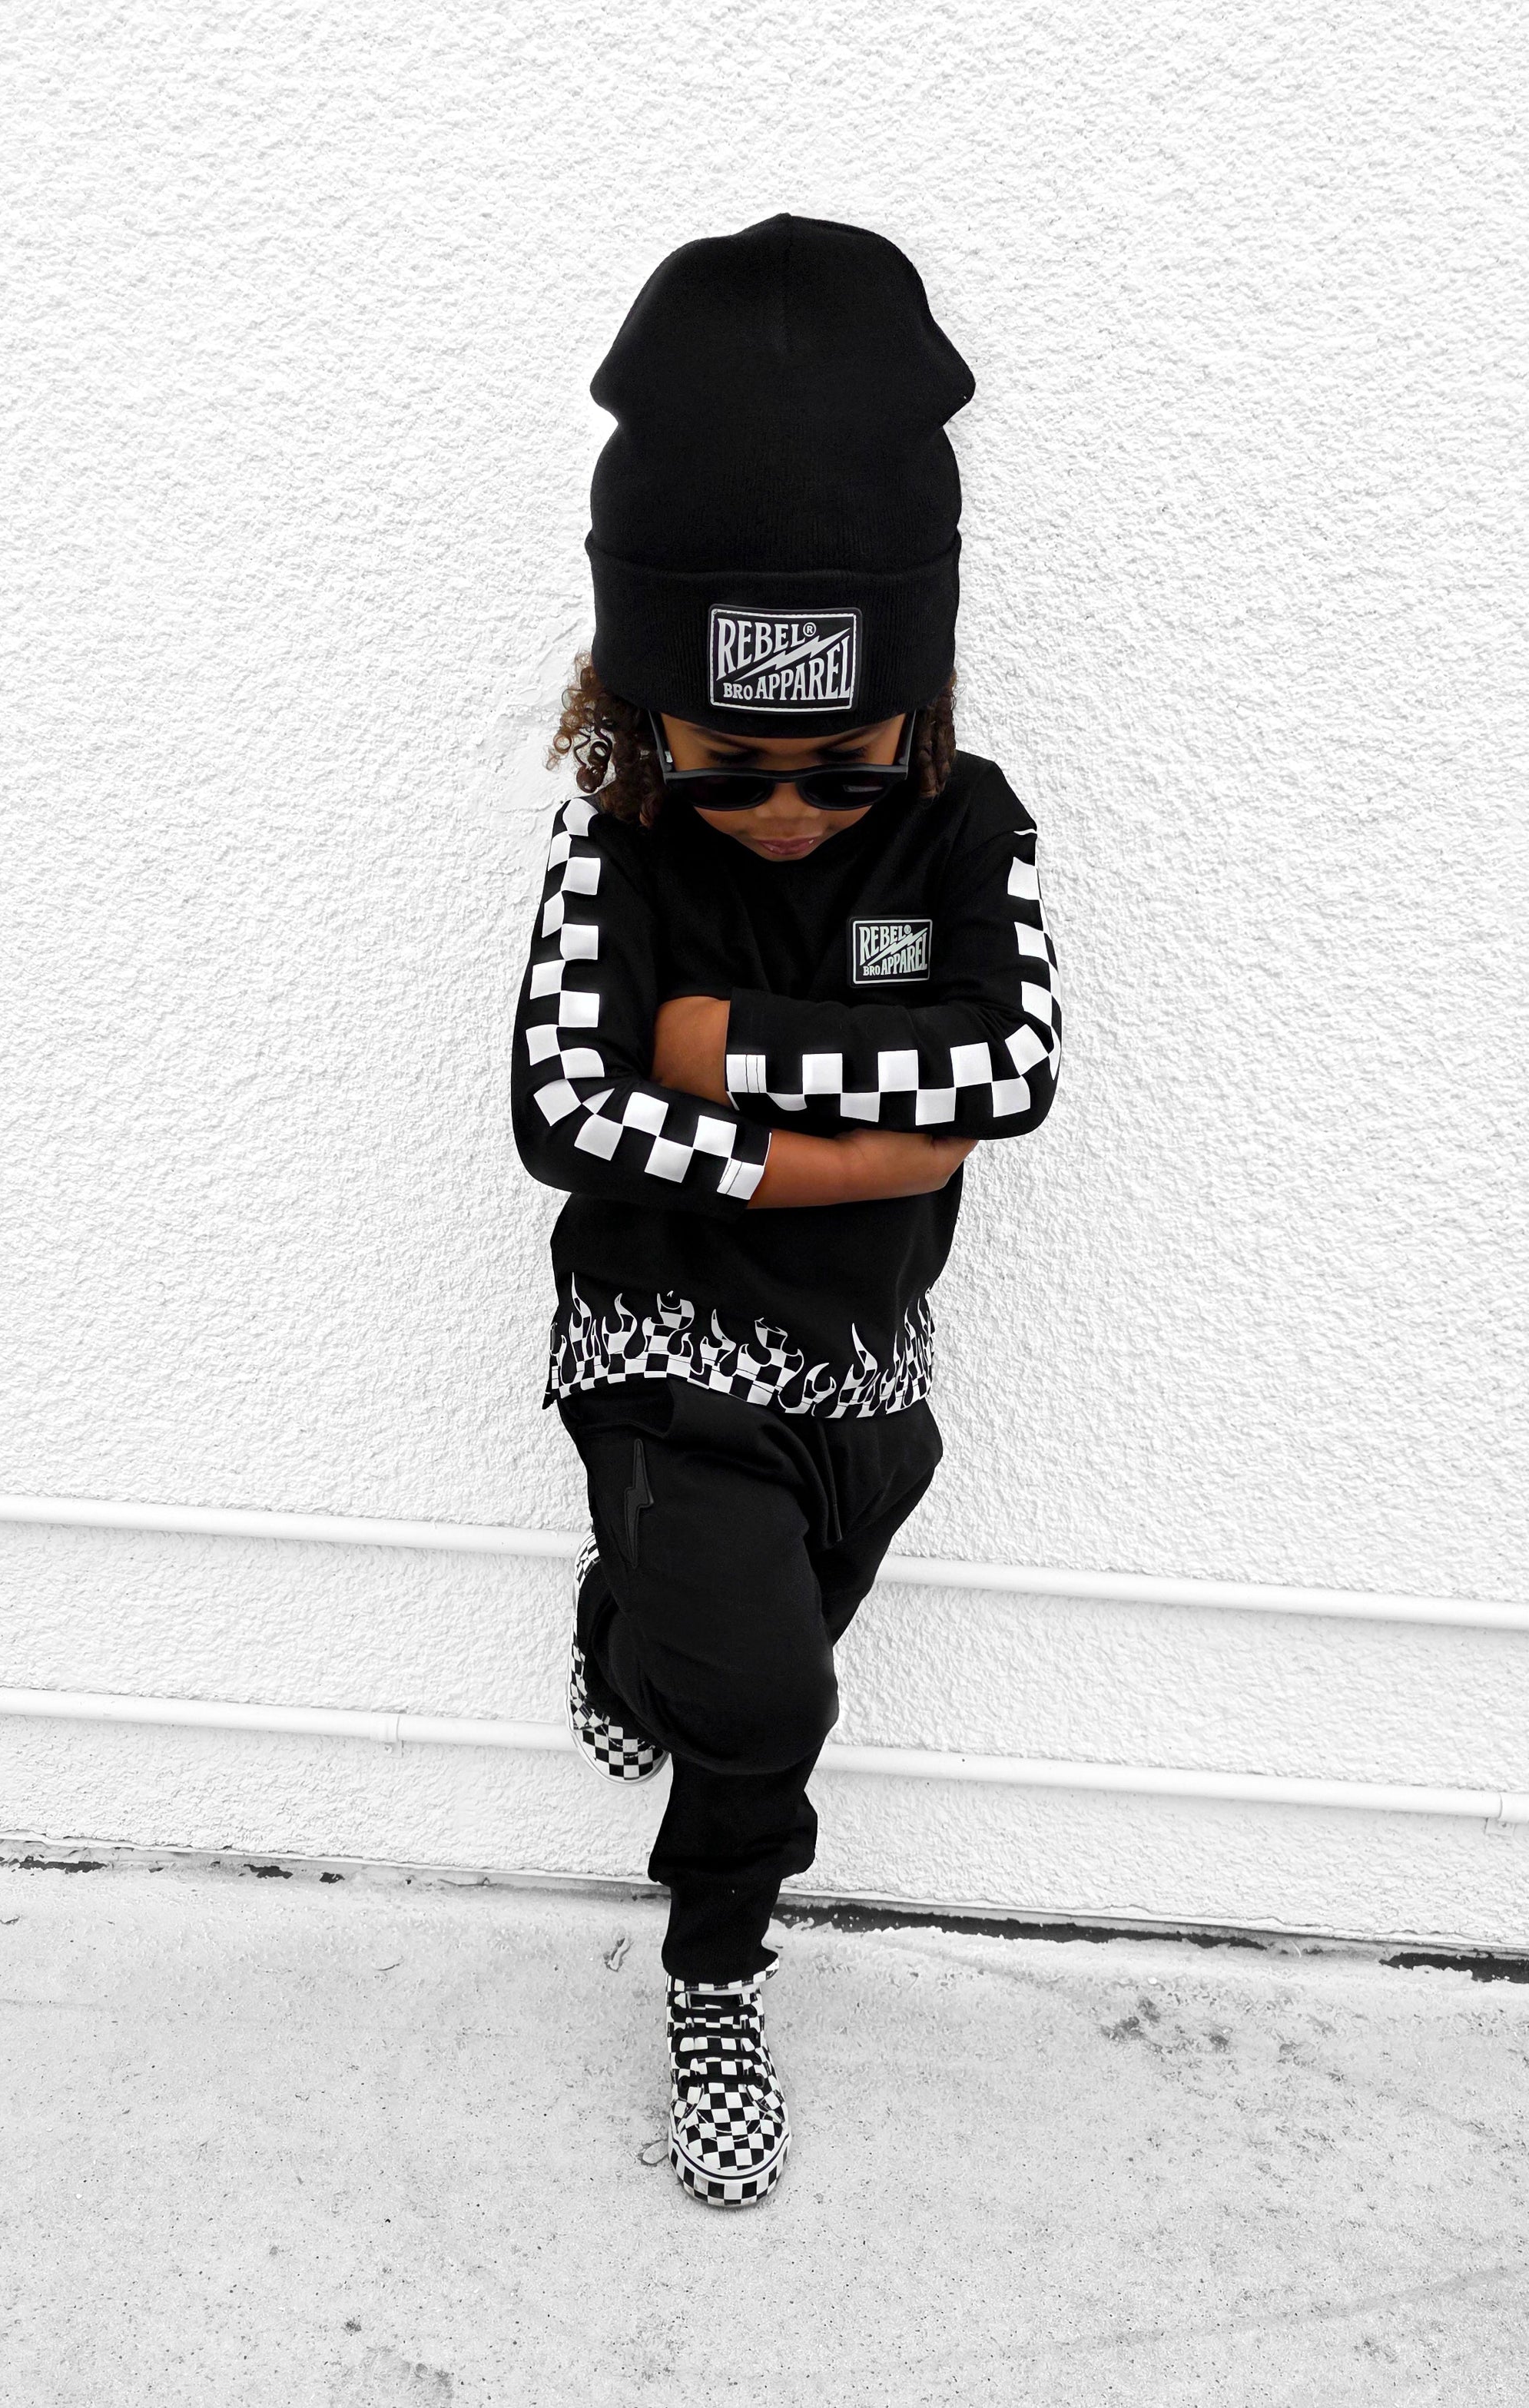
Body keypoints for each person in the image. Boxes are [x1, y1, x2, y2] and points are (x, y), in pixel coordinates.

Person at [511, 214, 1061, 2207]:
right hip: (659, 1355)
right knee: (770, 1702)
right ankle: (718, 1975)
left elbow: (1007, 1070)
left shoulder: (971, 829)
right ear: (638, 706)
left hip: (863, 1374)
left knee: (765, 1634)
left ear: (919, 702)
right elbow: (564, 1106)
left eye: (839, 772)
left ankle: (624, 1626)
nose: (784, 814)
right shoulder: (614, 852)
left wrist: (717, 1043)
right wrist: (849, 1139)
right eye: (729, 769)